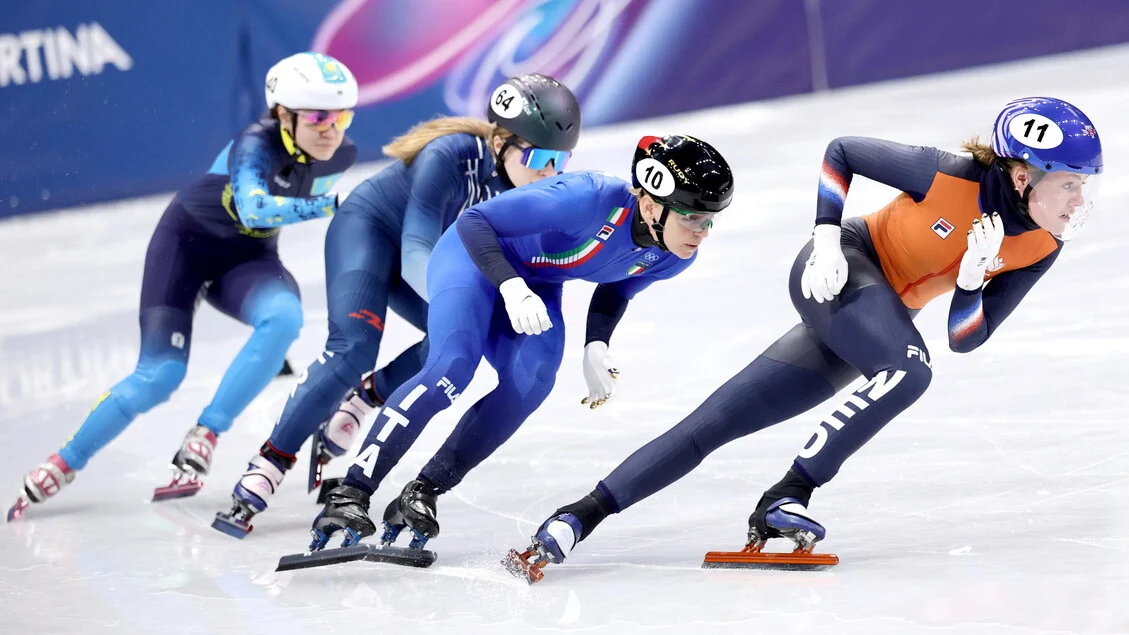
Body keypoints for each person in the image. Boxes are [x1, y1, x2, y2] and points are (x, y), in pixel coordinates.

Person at [510, 96, 1103, 581]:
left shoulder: (1043, 245)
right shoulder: (948, 174)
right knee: (909, 371)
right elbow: (841, 151)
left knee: (717, 421)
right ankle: (792, 493)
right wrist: (824, 237)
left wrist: (972, 284)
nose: (1081, 203)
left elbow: (967, 337)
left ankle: (576, 517)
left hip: (876, 320)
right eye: (1071, 186)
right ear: (1022, 175)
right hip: (841, 268)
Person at [304, 134, 736, 556]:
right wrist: (510, 285)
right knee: (453, 367)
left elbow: (618, 289)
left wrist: (596, 344)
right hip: (471, 259)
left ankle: (423, 491)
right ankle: (351, 492)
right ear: (649, 203)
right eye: (692, 218)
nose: (703, 232)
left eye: (710, 219)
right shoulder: (585, 197)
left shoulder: (672, 253)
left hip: (538, 283)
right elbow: (475, 223)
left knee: (531, 383)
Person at [212, 74, 583, 537]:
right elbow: (415, 251)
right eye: (540, 157)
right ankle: (269, 462)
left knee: (455, 344)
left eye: (561, 160)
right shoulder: (451, 155)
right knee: (353, 349)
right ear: (502, 140)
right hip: (370, 236)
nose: (550, 172)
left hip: (425, 258)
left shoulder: (530, 186)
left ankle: (372, 394)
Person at [7, 52, 359, 521]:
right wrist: (330, 203)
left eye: (341, 116)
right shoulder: (254, 144)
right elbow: (254, 210)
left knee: (284, 320)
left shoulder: (341, 155)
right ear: (282, 114)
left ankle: (206, 435)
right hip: (184, 249)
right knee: (160, 376)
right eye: (317, 116)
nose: (331, 129)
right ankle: (64, 461)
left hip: (248, 260)